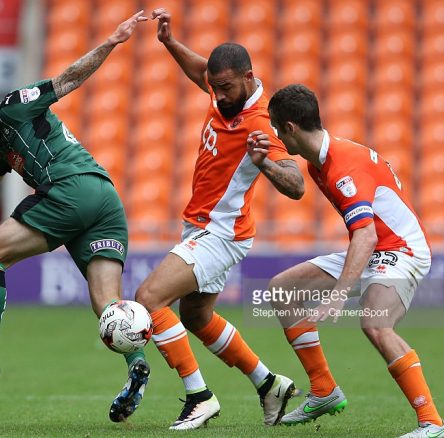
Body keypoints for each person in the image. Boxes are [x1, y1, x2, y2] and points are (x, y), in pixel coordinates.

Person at [0, 11, 152, 424]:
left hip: (70, 190)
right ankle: (137, 367)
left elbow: (68, 79)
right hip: (104, 201)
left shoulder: (8, 109)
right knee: (107, 306)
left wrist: (113, 41)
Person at [133, 9, 305, 430]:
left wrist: (265, 163)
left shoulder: (261, 121)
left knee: (148, 299)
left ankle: (200, 396)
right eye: (215, 87)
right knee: (196, 318)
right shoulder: (222, 93)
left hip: (219, 232)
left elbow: (297, 185)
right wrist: (170, 43)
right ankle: (269, 384)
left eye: (226, 87)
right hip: (201, 226)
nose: (219, 95)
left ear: (249, 77)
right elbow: (200, 73)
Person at [251, 83, 444, 438]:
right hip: (376, 246)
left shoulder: (342, 166)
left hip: (401, 248)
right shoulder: (321, 162)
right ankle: (324, 390)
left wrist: (338, 293)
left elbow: (366, 234)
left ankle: (433, 424)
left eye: (275, 127)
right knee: (282, 290)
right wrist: (265, 163)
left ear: (290, 129)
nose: (275, 134)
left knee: (375, 322)